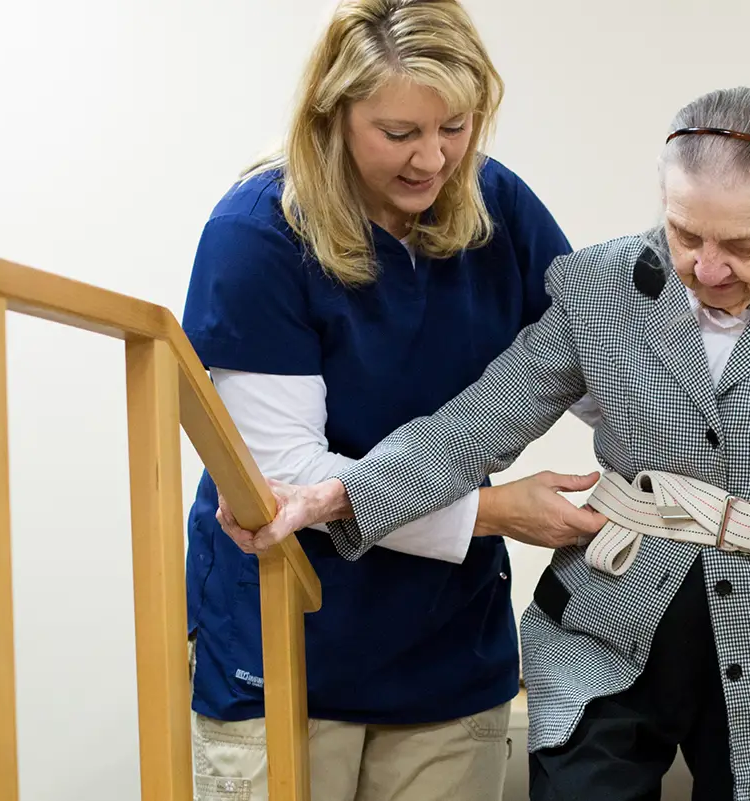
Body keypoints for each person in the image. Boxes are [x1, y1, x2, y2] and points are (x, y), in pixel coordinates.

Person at [217, 85, 750, 801]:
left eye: (743, 244)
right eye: (685, 233)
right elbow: (467, 428)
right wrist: (339, 494)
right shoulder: (599, 287)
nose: (708, 267)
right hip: (608, 629)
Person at [179, 2, 608, 799]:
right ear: (332, 114)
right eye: (399, 133)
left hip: (446, 653)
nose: (433, 158)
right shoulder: (259, 234)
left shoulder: (497, 205)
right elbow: (286, 478)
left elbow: (602, 366)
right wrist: (495, 512)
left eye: (456, 126)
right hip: (287, 644)